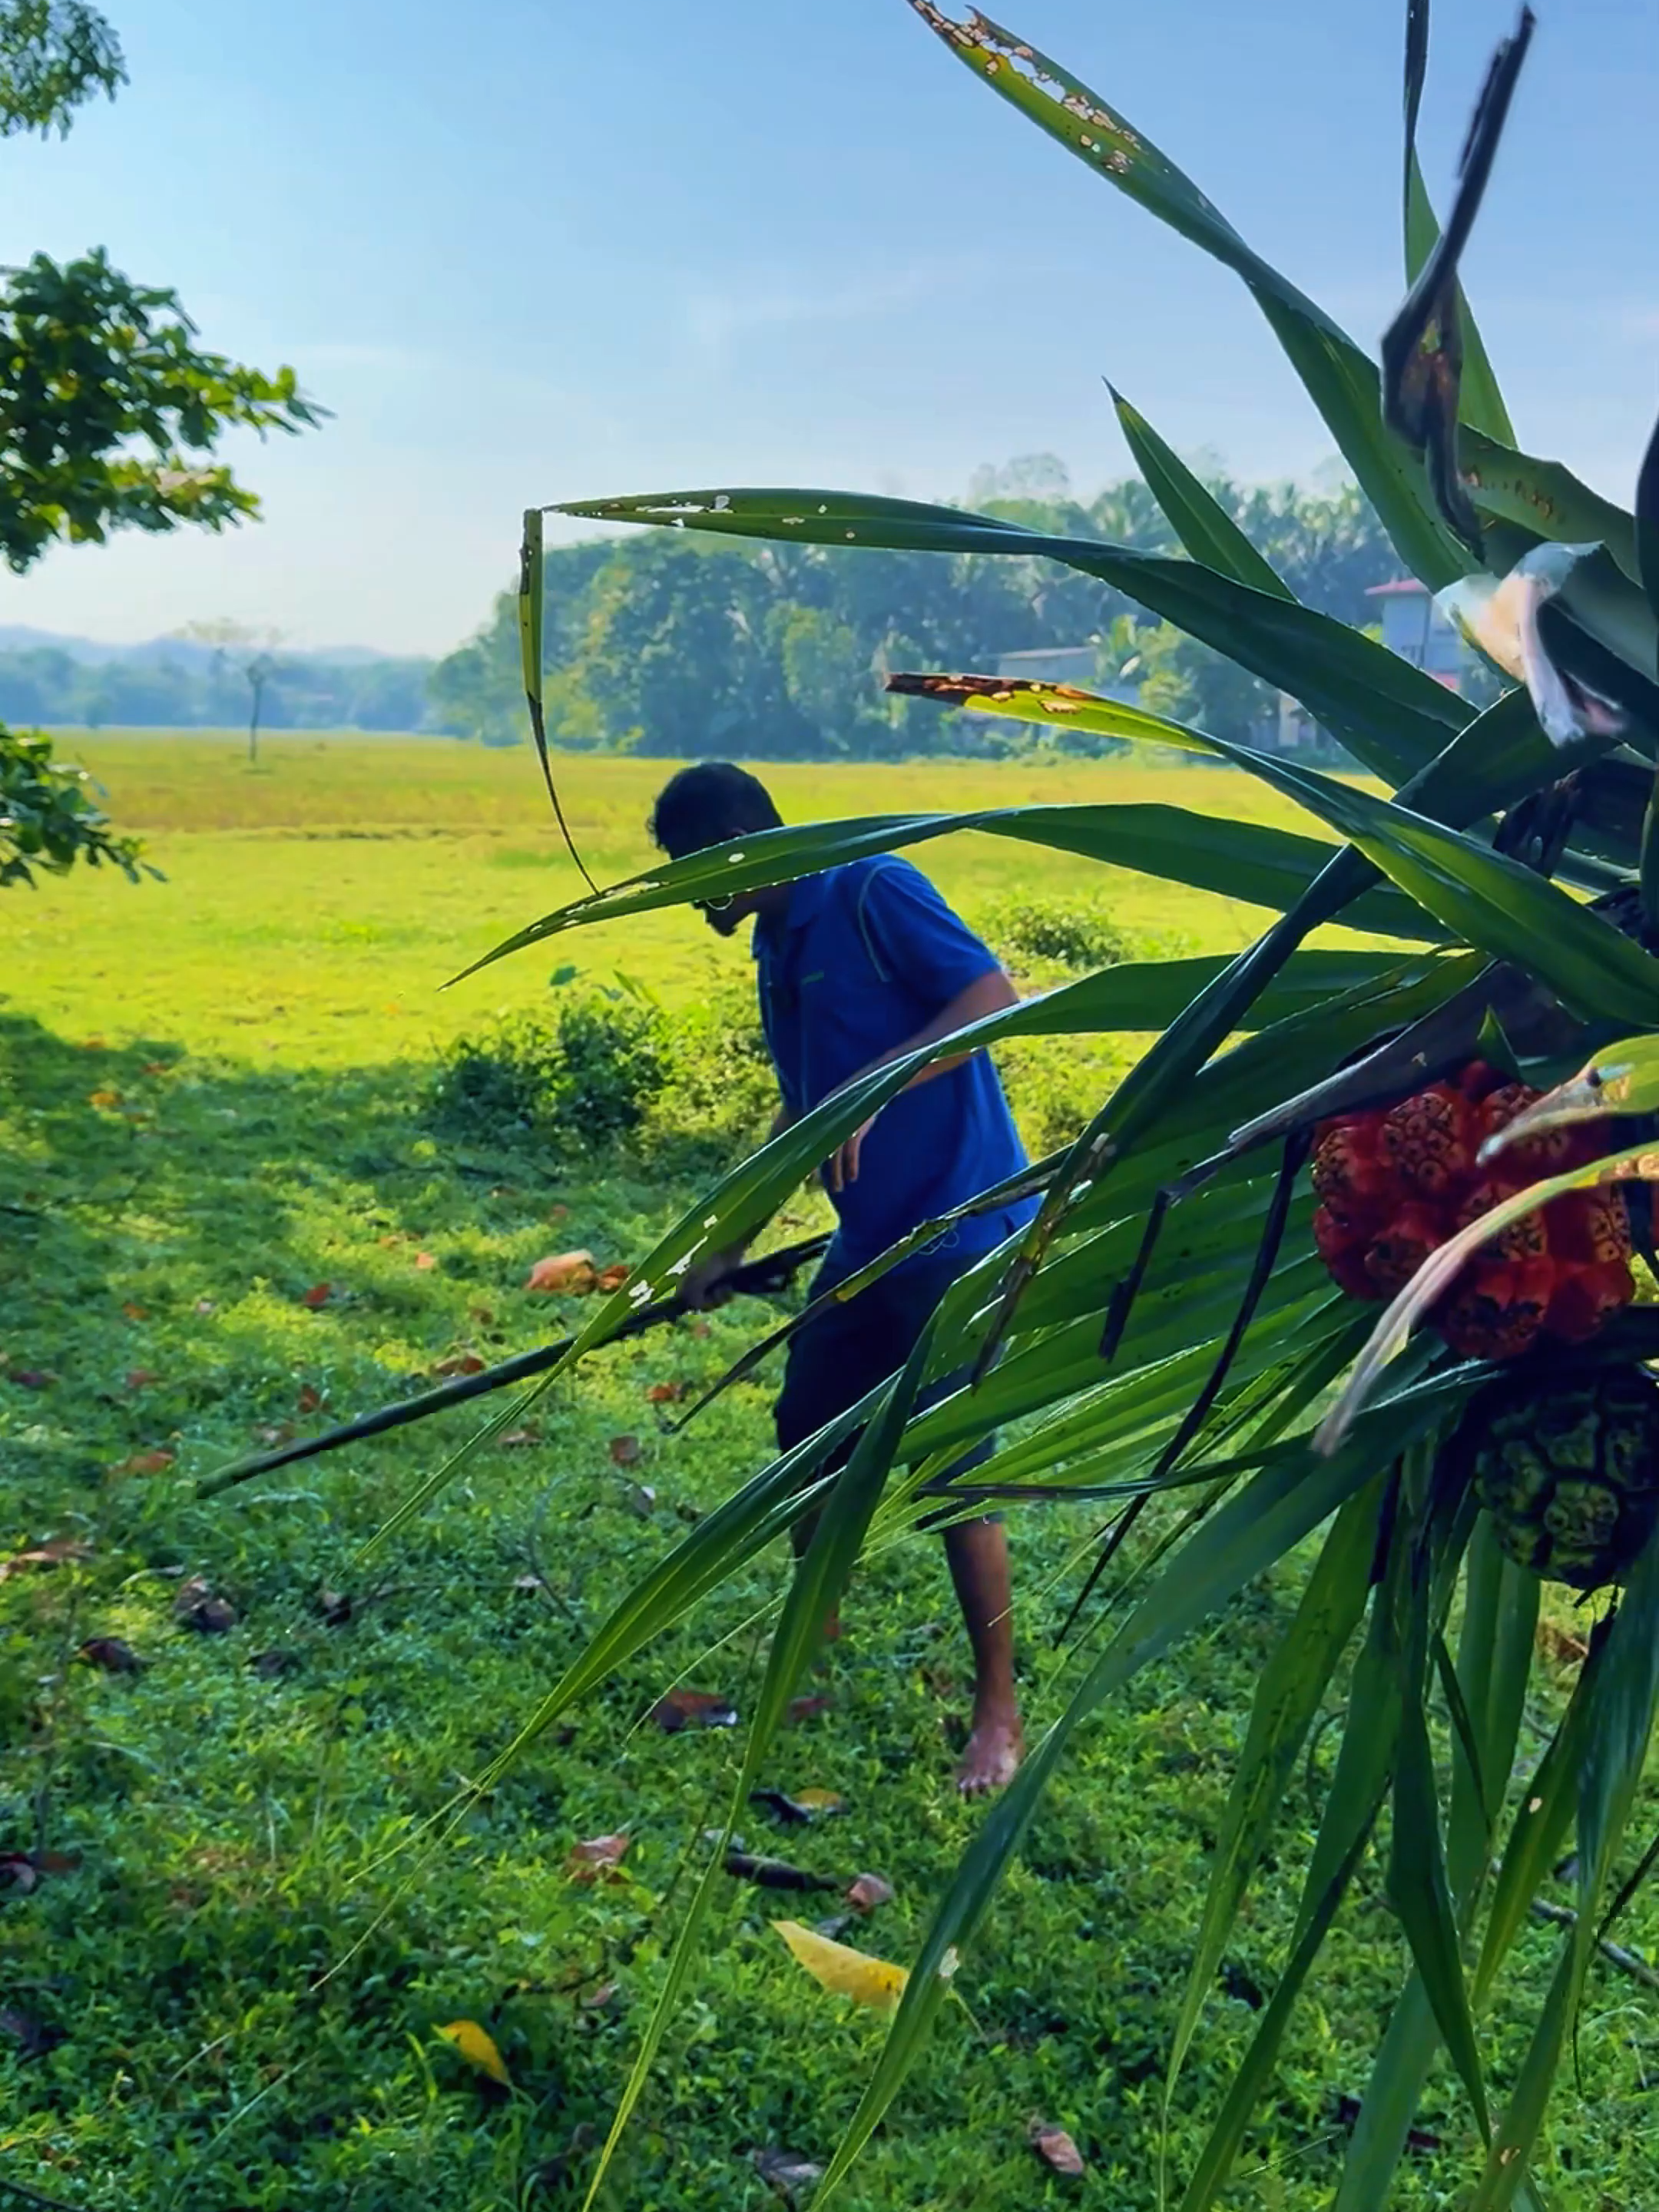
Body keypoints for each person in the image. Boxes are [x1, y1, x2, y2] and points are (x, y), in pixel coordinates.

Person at [650, 762, 1039, 1793]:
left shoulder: (872, 888)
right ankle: (810, 1653)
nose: (696, 903)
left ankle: (999, 1716)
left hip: (963, 1228)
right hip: (869, 1240)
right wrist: (727, 1242)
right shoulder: (779, 941)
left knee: (955, 1471)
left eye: (696, 878)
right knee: (808, 1430)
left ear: (739, 846)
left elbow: (993, 997)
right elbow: (806, 1108)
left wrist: (879, 1084)